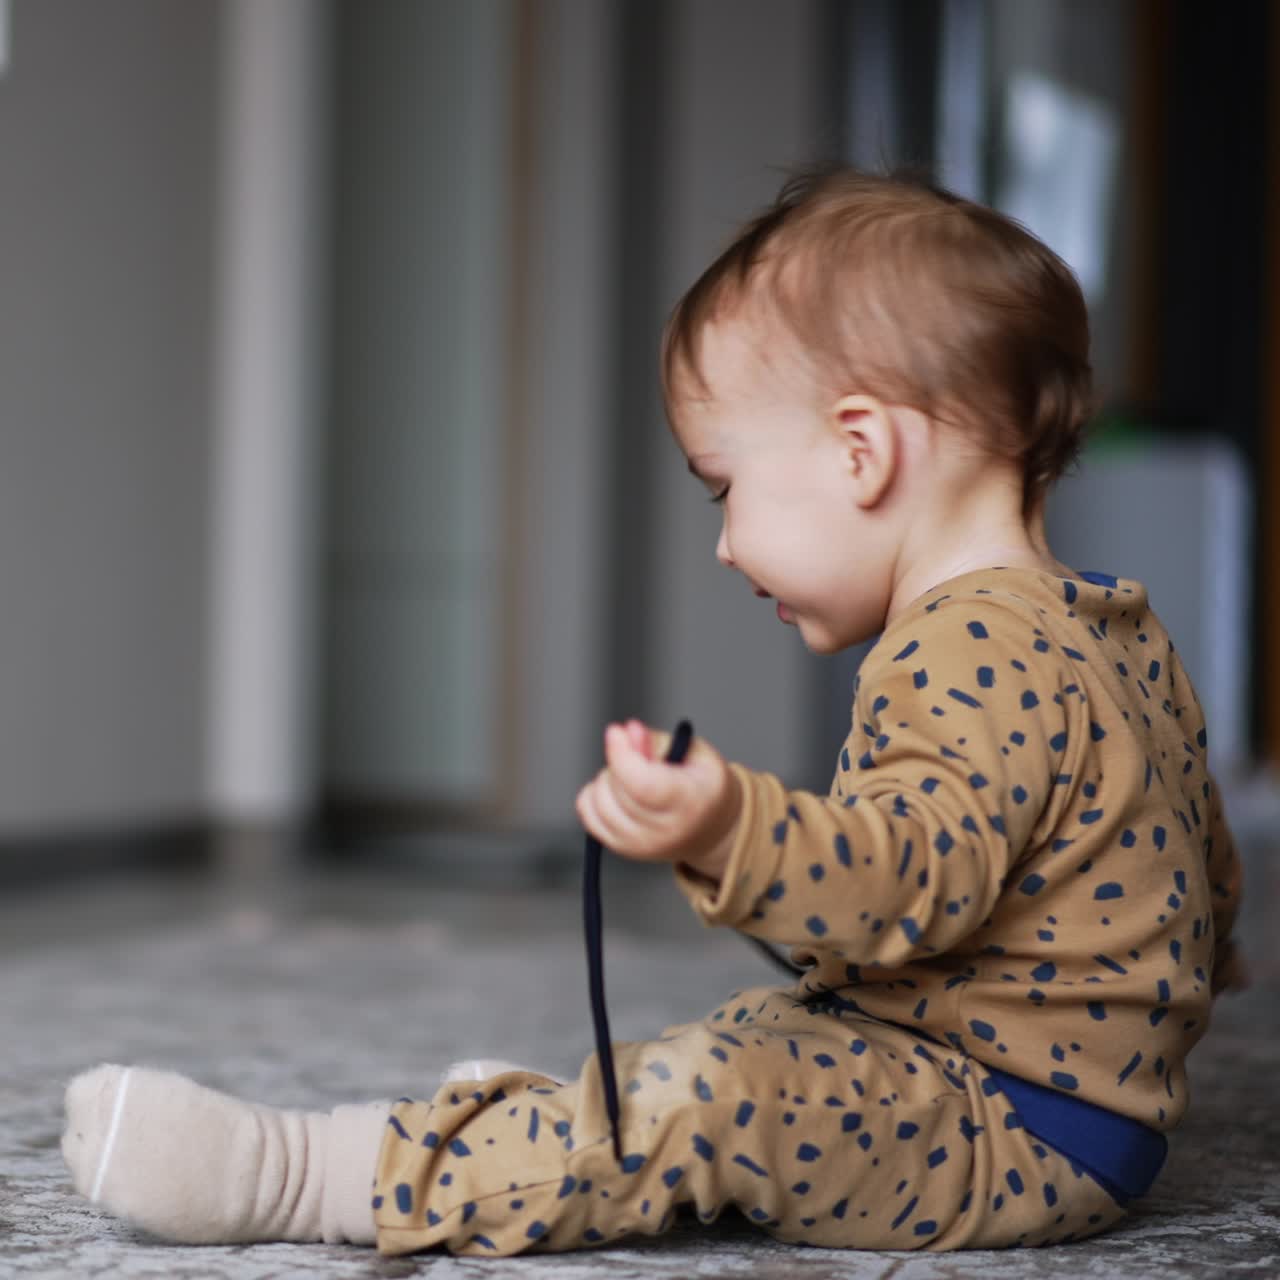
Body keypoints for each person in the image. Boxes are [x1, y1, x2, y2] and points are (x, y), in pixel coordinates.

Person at [61, 168, 1246, 1256]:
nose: (726, 545)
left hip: (1005, 1123)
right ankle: (540, 1131)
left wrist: (726, 828)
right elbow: (1193, 851)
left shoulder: (959, 647)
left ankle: (312, 1174)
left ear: (859, 451)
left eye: (725, 487)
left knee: (723, 1091)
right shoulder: (1105, 622)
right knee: (759, 1038)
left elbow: (905, 885)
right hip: (1078, 1110)